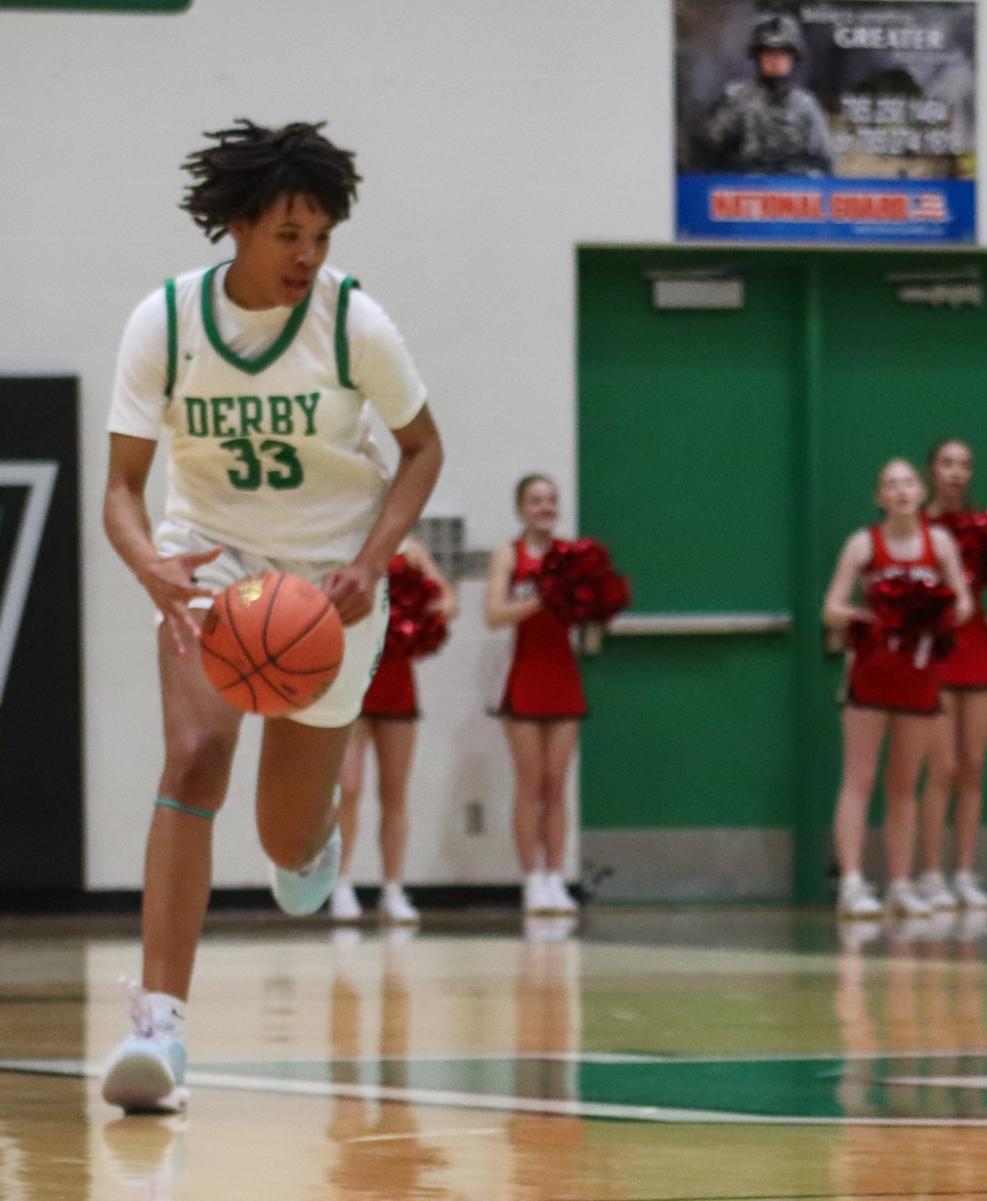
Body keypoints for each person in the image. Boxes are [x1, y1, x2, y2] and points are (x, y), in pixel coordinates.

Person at [99, 119, 443, 1113]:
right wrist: (153, 567)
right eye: (291, 233)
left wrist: (372, 567)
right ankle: (159, 1028)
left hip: (332, 583)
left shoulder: (355, 325)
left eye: (323, 236)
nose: (309, 255)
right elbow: (121, 488)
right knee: (195, 753)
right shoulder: (164, 321)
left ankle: (313, 841)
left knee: (285, 841)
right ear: (240, 227)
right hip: (217, 563)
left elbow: (423, 449)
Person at [824, 459, 974, 918]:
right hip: (871, 672)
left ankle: (901, 883)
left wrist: (932, 615)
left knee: (905, 784)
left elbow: (964, 604)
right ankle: (851, 882)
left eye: (908, 482)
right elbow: (830, 608)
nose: (901, 490)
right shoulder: (863, 544)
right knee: (860, 778)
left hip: (920, 673)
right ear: (879, 498)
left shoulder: (940, 544)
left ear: (922, 492)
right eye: (890, 483)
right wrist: (871, 619)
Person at [915, 438, 987, 911]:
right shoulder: (918, 528)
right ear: (931, 470)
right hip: (935, 650)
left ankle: (964, 872)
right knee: (940, 767)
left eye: (965, 464)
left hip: (977, 649)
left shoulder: (983, 528)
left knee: (972, 766)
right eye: (947, 463)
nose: (956, 473)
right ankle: (928, 874)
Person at [330, 536, 457, 924]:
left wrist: (410, 613)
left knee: (394, 792)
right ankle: (341, 883)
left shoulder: (413, 549)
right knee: (348, 788)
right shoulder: (342, 540)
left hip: (396, 677)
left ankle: (392, 889)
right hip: (351, 675)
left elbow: (448, 603)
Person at [486, 475, 588, 916]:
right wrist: (540, 601)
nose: (544, 507)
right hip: (526, 674)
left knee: (557, 785)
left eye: (550, 500)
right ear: (521, 508)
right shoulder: (509, 554)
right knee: (530, 785)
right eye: (535, 500)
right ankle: (530, 880)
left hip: (563, 674)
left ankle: (556, 877)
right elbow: (494, 614)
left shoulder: (572, 555)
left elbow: (587, 606)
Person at [696, 14, 835, 177]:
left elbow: (825, 162)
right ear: (758, 57)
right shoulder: (736, 100)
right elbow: (708, 151)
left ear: (793, 58)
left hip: (794, 191)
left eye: (782, 54)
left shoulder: (806, 106)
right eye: (769, 53)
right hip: (743, 190)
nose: (775, 61)